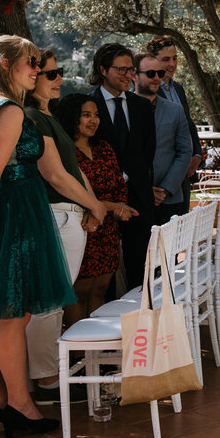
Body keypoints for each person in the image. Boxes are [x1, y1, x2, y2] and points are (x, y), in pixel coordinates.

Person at [0, 36, 100, 438]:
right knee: (14, 317)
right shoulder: (11, 110)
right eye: (30, 63)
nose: (36, 70)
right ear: (5, 64)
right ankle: (19, 404)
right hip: (16, 217)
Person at [24, 50, 127, 404]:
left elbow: (73, 172)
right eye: (50, 74)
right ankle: (50, 379)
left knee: (63, 300)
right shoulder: (31, 116)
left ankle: (60, 371)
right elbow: (55, 174)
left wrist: (97, 207)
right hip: (63, 216)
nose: (58, 79)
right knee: (53, 302)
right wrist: (96, 206)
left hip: (80, 217)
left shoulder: (45, 116)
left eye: (59, 72)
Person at [57, 94, 131, 326]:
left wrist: (117, 207)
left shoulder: (104, 148)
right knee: (78, 293)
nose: (93, 121)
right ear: (72, 117)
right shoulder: (63, 153)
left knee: (100, 290)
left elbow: (119, 185)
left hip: (107, 230)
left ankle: (95, 355)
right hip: (81, 227)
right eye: (86, 115)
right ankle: (79, 353)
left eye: (96, 115)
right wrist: (108, 206)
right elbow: (67, 192)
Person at [89, 42, 155, 286]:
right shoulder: (87, 106)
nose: (129, 76)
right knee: (103, 273)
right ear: (103, 70)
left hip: (139, 199)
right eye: (121, 70)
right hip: (101, 201)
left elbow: (148, 153)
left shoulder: (142, 106)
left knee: (142, 269)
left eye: (131, 70)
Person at [132, 51, 192, 223]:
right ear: (134, 76)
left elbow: (185, 152)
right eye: (150, 73)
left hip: (169, 198)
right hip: (133, 199)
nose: (157, 78)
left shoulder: (175, 110)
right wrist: (142, 189)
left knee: (169, 250)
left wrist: (165, 189)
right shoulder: (124, 109)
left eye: (160, 73)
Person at [146, 36, 202, 199]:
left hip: (184, 174)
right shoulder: (147, 91)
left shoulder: (178, 88)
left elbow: (189, 124)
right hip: (162, 176)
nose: (172, 64)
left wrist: (197, 155)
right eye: (166, 59)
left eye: (175, 58)